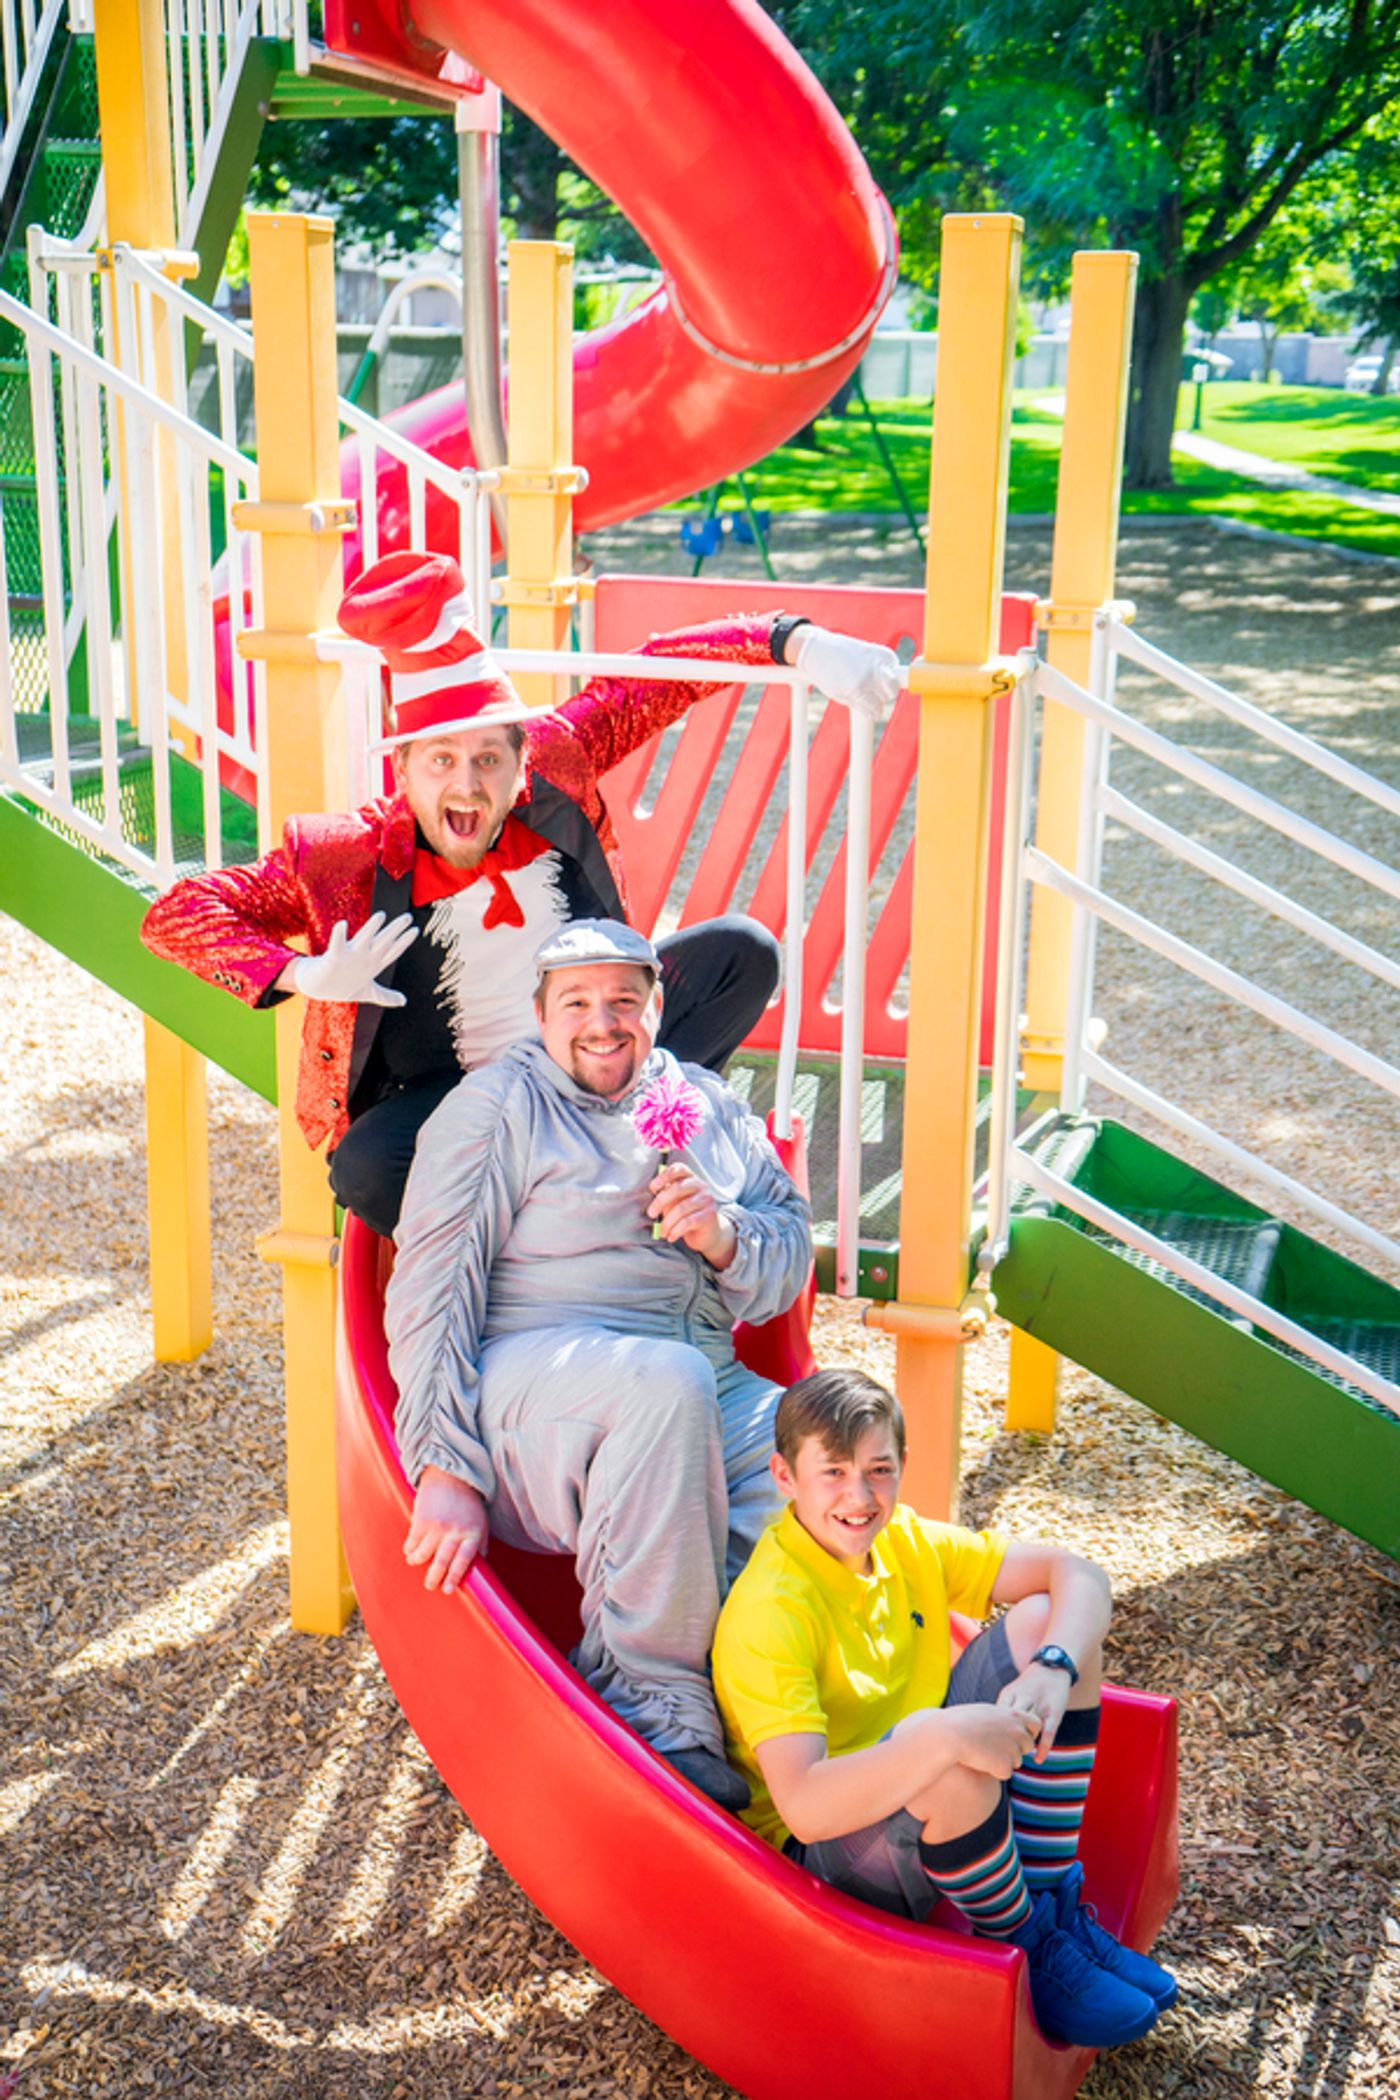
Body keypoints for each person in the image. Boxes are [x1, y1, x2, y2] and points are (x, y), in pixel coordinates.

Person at [141, 548, 901, 1236]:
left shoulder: (561, 763)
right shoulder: (347, 856)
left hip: (600, 1049)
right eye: (440, 760)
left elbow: (666, 670)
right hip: (464, 1100)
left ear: (521, 760)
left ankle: (618, 1144)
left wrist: (799, 643)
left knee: (742, 953)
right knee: (366, 1167)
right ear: (402, 770)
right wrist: (302, 973)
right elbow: (177, 915)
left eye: (487, 760)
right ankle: (564, 1212)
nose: (466, 784)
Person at [385, 918, 813, 1808]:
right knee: (666, 1385)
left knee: (822, 1448)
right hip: (531, 1388)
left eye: (624, 1000)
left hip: (699, 1375)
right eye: (576, 1003)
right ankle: (648, 1704)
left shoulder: (701, 1103)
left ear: (656, 1007)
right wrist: (442, 1464)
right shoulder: (498, 1108)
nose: (602, 1022)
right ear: (540, 1015)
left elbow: (788, 1257)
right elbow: (431, 1290)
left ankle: (790, 1713)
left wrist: (724, 1236)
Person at [712, 1368, 1178, 2050]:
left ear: (901, 1465)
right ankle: (1023, 1947)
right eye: (832, 1472)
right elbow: (805, 1805)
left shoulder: (903, 1540)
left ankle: (1050, 1908)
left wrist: (1053, 1669)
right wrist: (943, 1740)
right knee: (944, 1759)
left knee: (1048, 1625)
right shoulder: (771, 1613)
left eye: (878, 1470)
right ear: (785, 1476)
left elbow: (1078, 1575)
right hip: (820, 1862)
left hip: (921, 1782)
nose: (859, 1496)